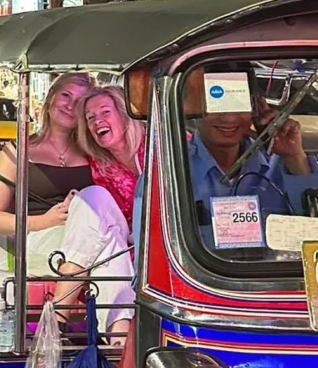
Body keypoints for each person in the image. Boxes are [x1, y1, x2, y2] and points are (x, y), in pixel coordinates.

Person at [0, 72, 135, 345]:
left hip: (89, 236)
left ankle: (63, 323)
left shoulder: (93, 152)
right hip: (40, 236)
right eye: (66, 95)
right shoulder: (19, 151)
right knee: (108, 240)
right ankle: (119, 339)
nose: (69, 105)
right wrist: (44, 221)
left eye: (79, 103)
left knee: (98, 210)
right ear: (51, 98)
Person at [132, 97, 318, 263]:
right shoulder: (166, 176)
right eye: (215, 105)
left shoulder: (284, 164)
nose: (229, 118)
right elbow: (151, 270)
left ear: (256, 107)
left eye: (238, 103)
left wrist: (294, 157)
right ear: (192, 108)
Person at [77, 85, 146, 229]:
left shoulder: (160, 141)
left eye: (105, 112)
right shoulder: (99, 166)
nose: (97, 121)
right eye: (90, 117)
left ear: (124, 114)